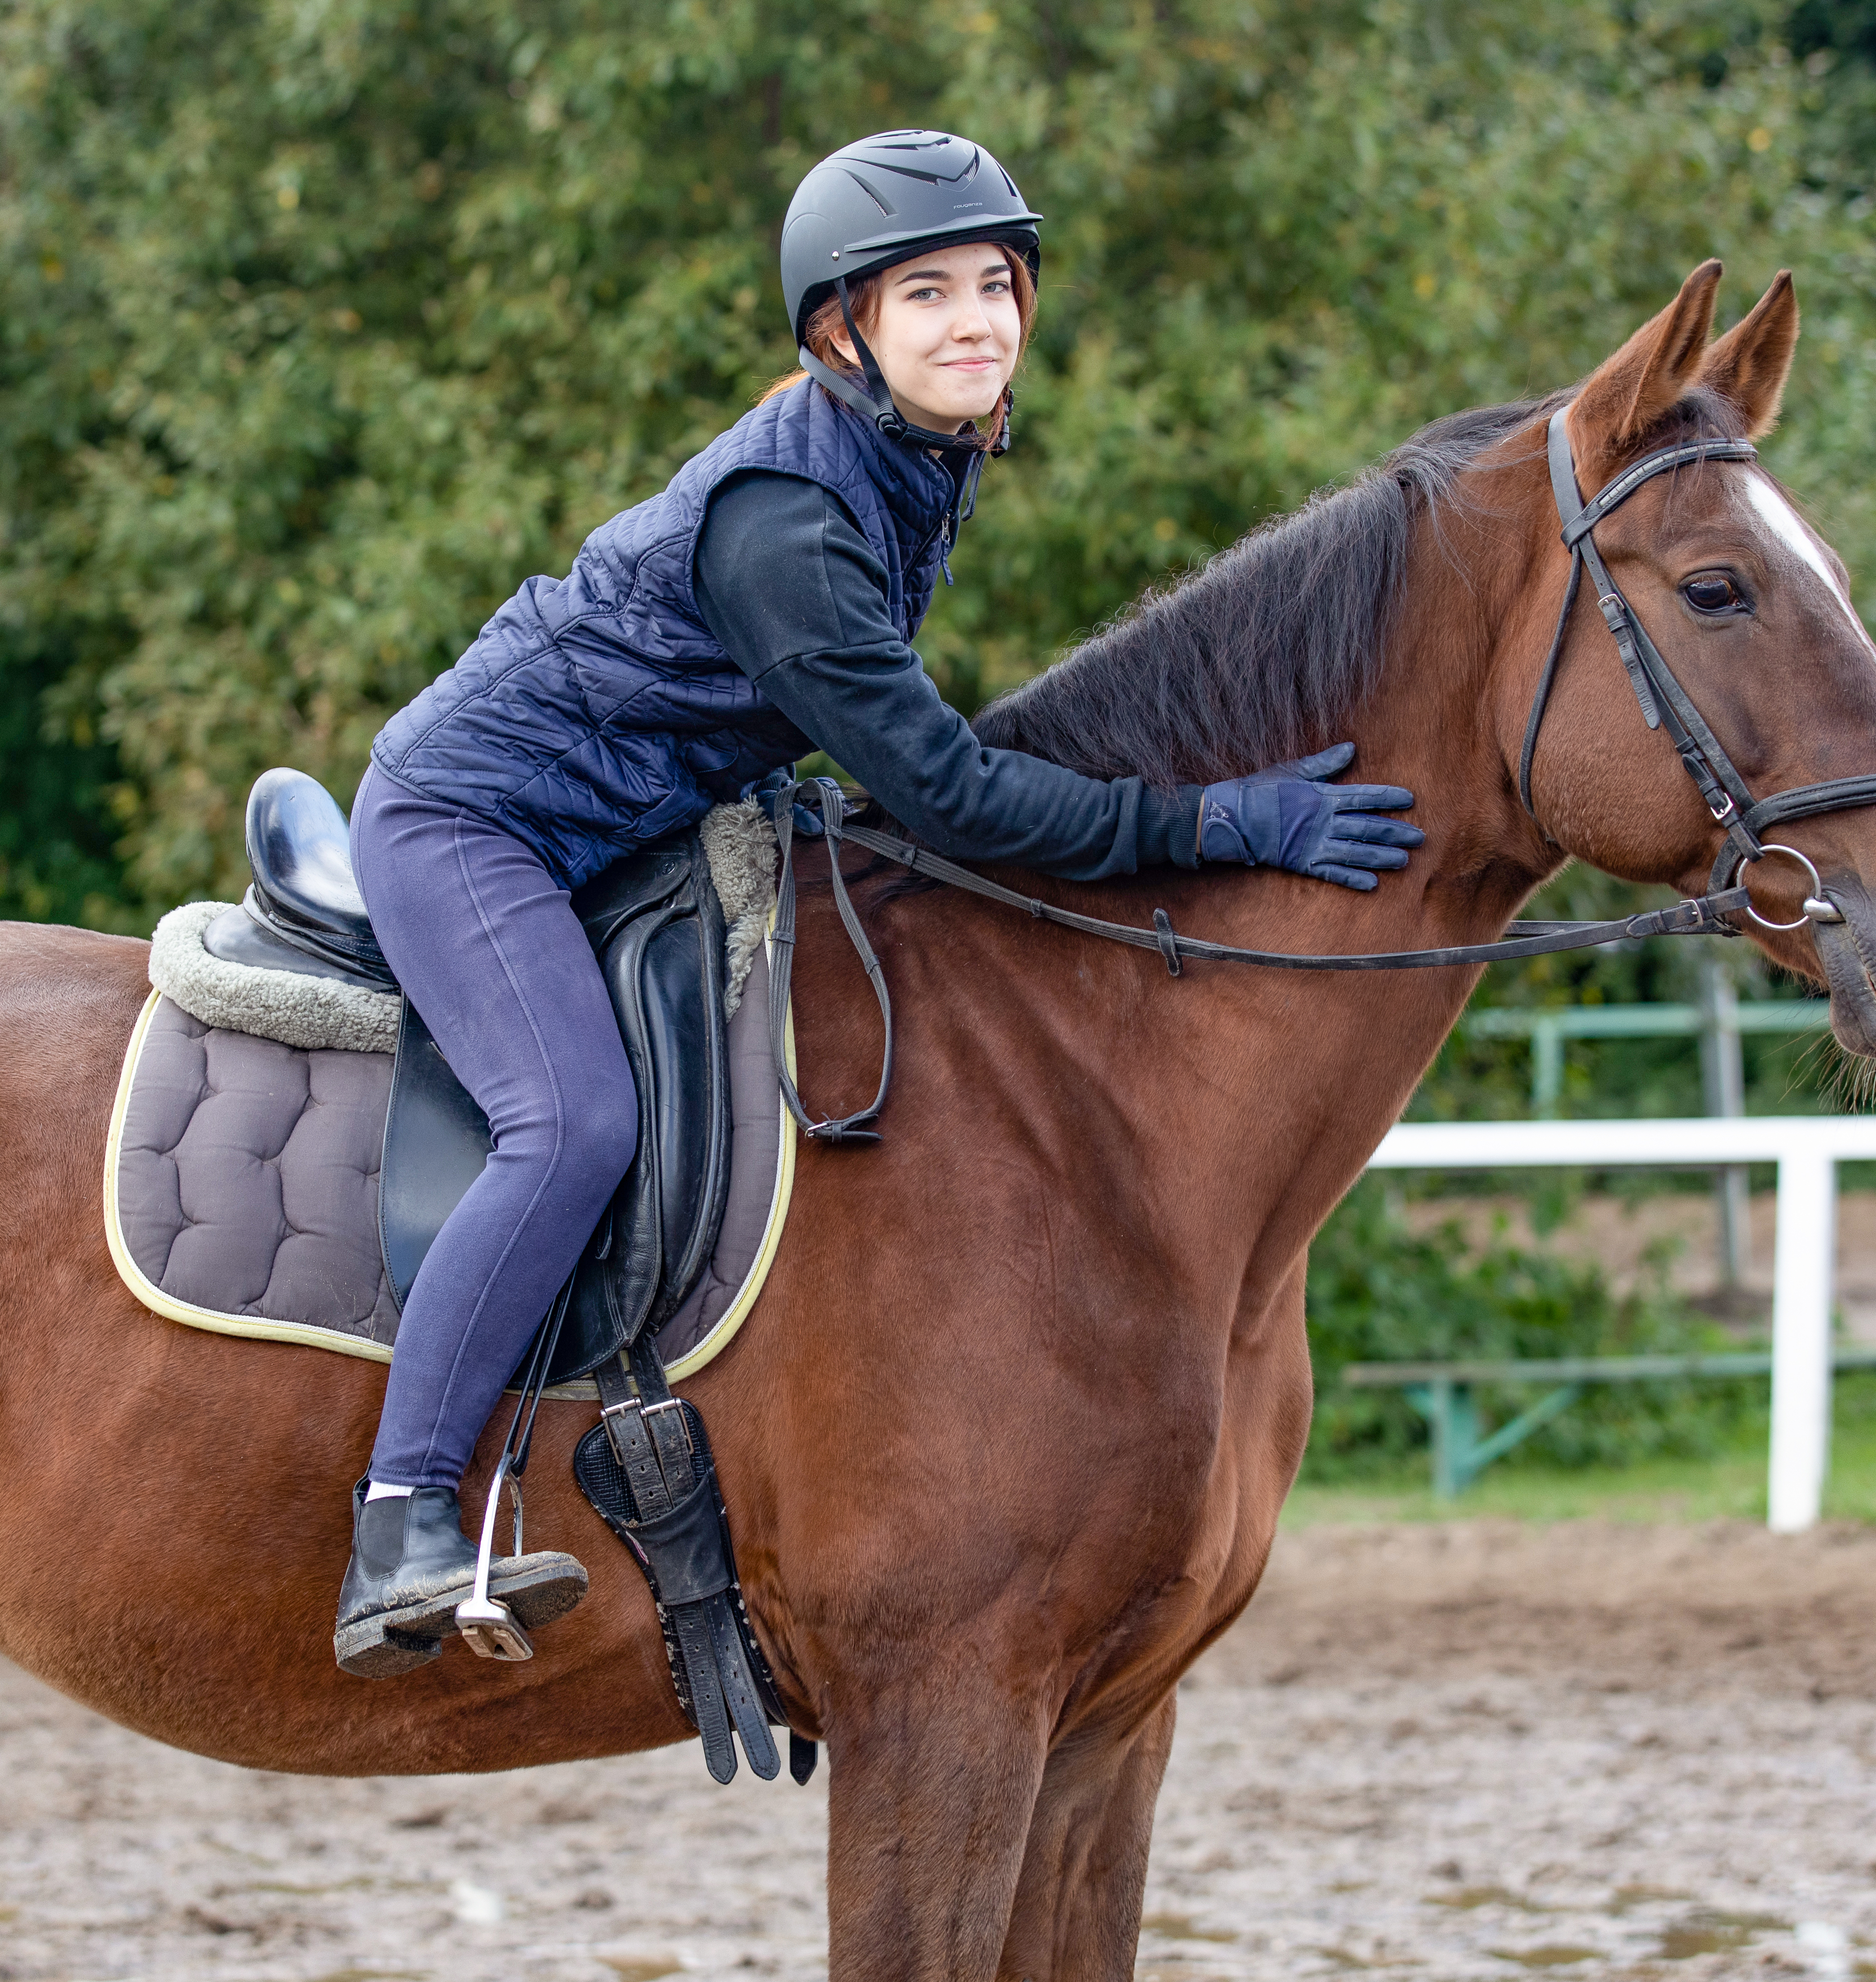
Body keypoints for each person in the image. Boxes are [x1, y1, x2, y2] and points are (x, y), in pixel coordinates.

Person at [331, 130, 1425, 1677]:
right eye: (930, 292)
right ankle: (402, 1518)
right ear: (845, 330)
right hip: (476, 822)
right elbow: (956, 795)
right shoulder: (790, 518)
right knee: (572, 1119)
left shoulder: (920, 449)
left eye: (998, 284)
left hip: (638, 818)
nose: (979, 320)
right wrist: (1224, 819)